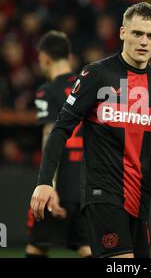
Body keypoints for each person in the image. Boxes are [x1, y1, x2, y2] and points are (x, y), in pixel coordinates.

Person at [30, 2, 151, 258]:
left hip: (140, 199)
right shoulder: (96, 75)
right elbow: (61, 128)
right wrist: (44, 182)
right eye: (137, 33)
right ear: (122, 33)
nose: (144, 41)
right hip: (102, 194)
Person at [26, 31, 91, 258]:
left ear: (44, 58)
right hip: (86, 180)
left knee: (37, 245)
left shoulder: (47, 91)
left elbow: (49, 137)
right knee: (86, 246)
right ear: (69, 56)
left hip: (59, 180)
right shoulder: (87, 85)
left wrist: (49, 184)